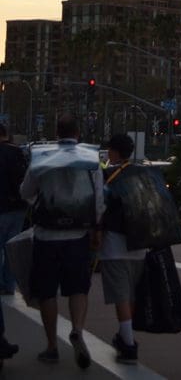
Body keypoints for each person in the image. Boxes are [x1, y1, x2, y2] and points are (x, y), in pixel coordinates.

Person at [20, 115, 104, 368]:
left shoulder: (42, 158)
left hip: (46, 235)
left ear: (56, 134)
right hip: (77, 236)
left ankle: (52, 346)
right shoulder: (90, 159)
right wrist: (96, 228)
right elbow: (98, 199)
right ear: (78, 134)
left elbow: (25, 192)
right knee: (78, 288)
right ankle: (77, 329)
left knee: (47, 292)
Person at [100, 133, 147, 364]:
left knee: (121, 295)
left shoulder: (109, 176)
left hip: (114, 245)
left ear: (115, 152)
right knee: (131, 294)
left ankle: (128, 345)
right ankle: (124, 336)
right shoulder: (142, 174)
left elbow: (100, 206)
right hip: (140, 244)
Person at [0, 124, 27, 295]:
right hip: (18, 208)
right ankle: (9, 284)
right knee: (11, 249)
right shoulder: (18, 152)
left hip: (1, 206)